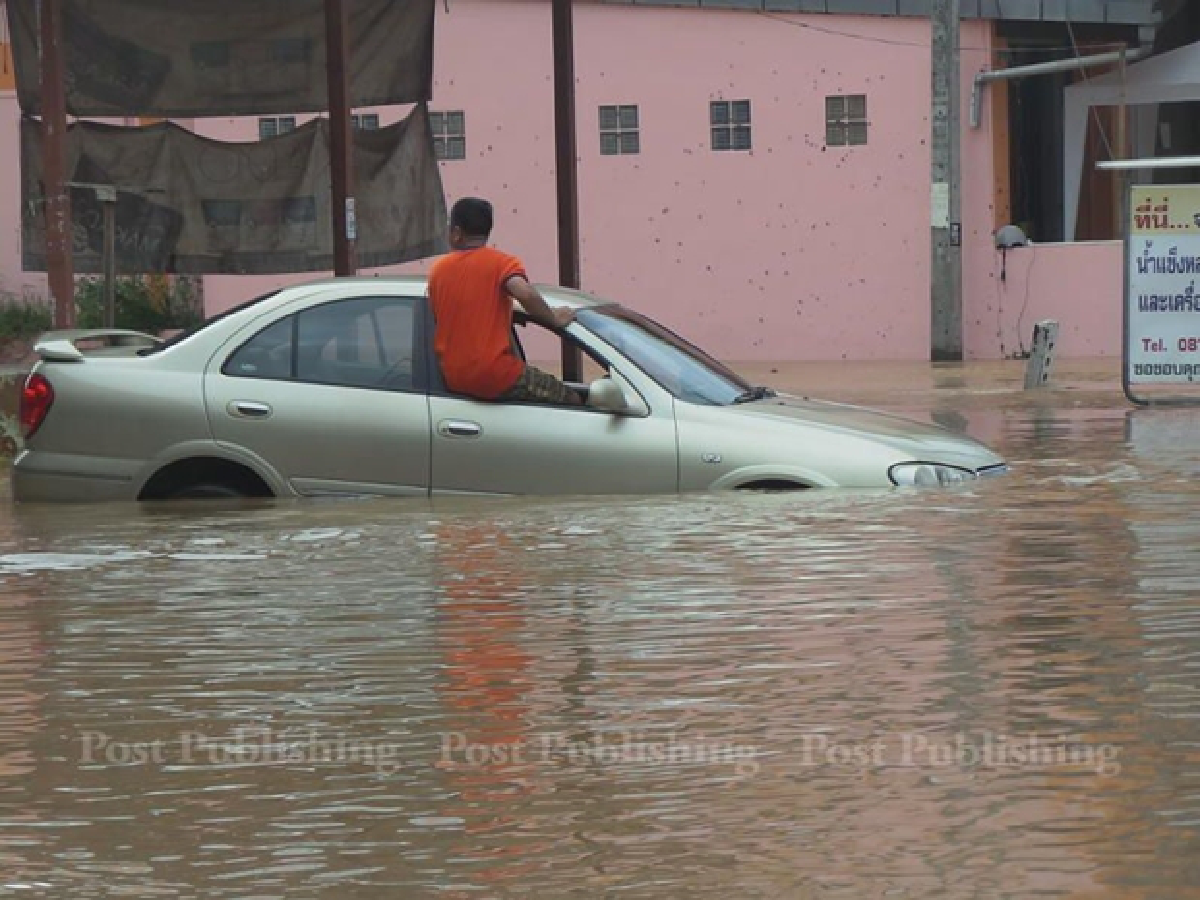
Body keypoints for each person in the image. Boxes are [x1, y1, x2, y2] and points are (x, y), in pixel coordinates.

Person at [429, 198, 582, 405]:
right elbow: (525, 293)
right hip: (495, 375)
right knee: (573, 399)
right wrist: (553, 318)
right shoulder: (501, 263)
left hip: (453, 377)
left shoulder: (438, 271)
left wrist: (506, 310)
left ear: (456, 233)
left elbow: (455, 311)